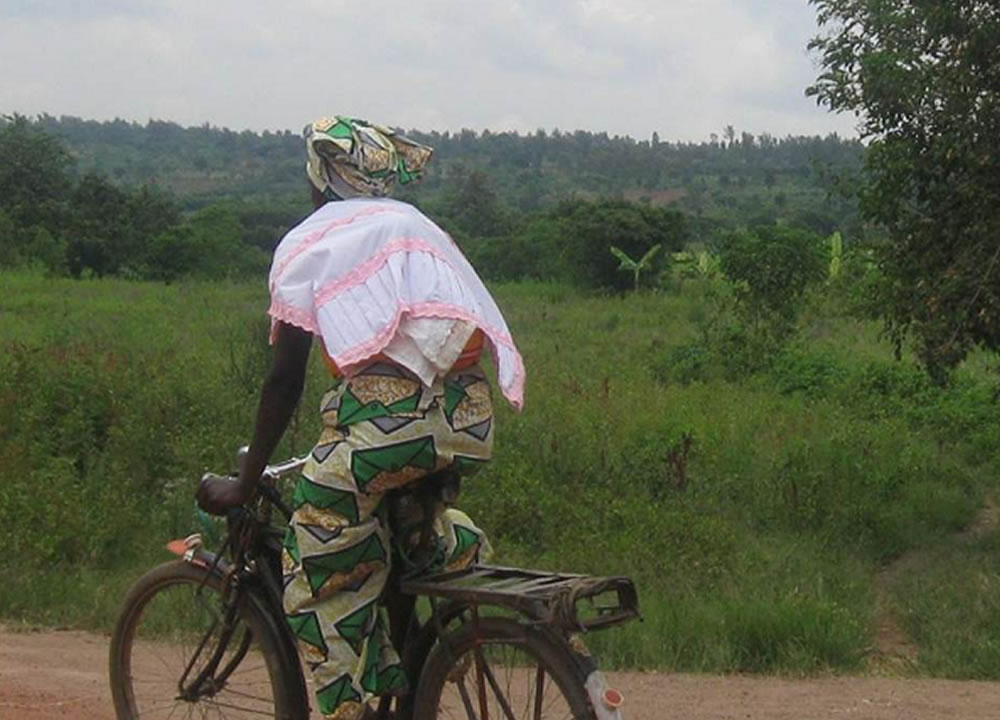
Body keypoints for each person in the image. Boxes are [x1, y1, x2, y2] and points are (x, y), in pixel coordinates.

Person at [197, 116, 524, 720]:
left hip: (391, 433)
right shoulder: (414, 225)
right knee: (393, 534)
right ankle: (418, 636)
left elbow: (285, 379)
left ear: (319, 176)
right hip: (469, 426)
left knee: (314, 556)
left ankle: (352, 707)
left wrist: (246, 483)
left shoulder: (312, 240)